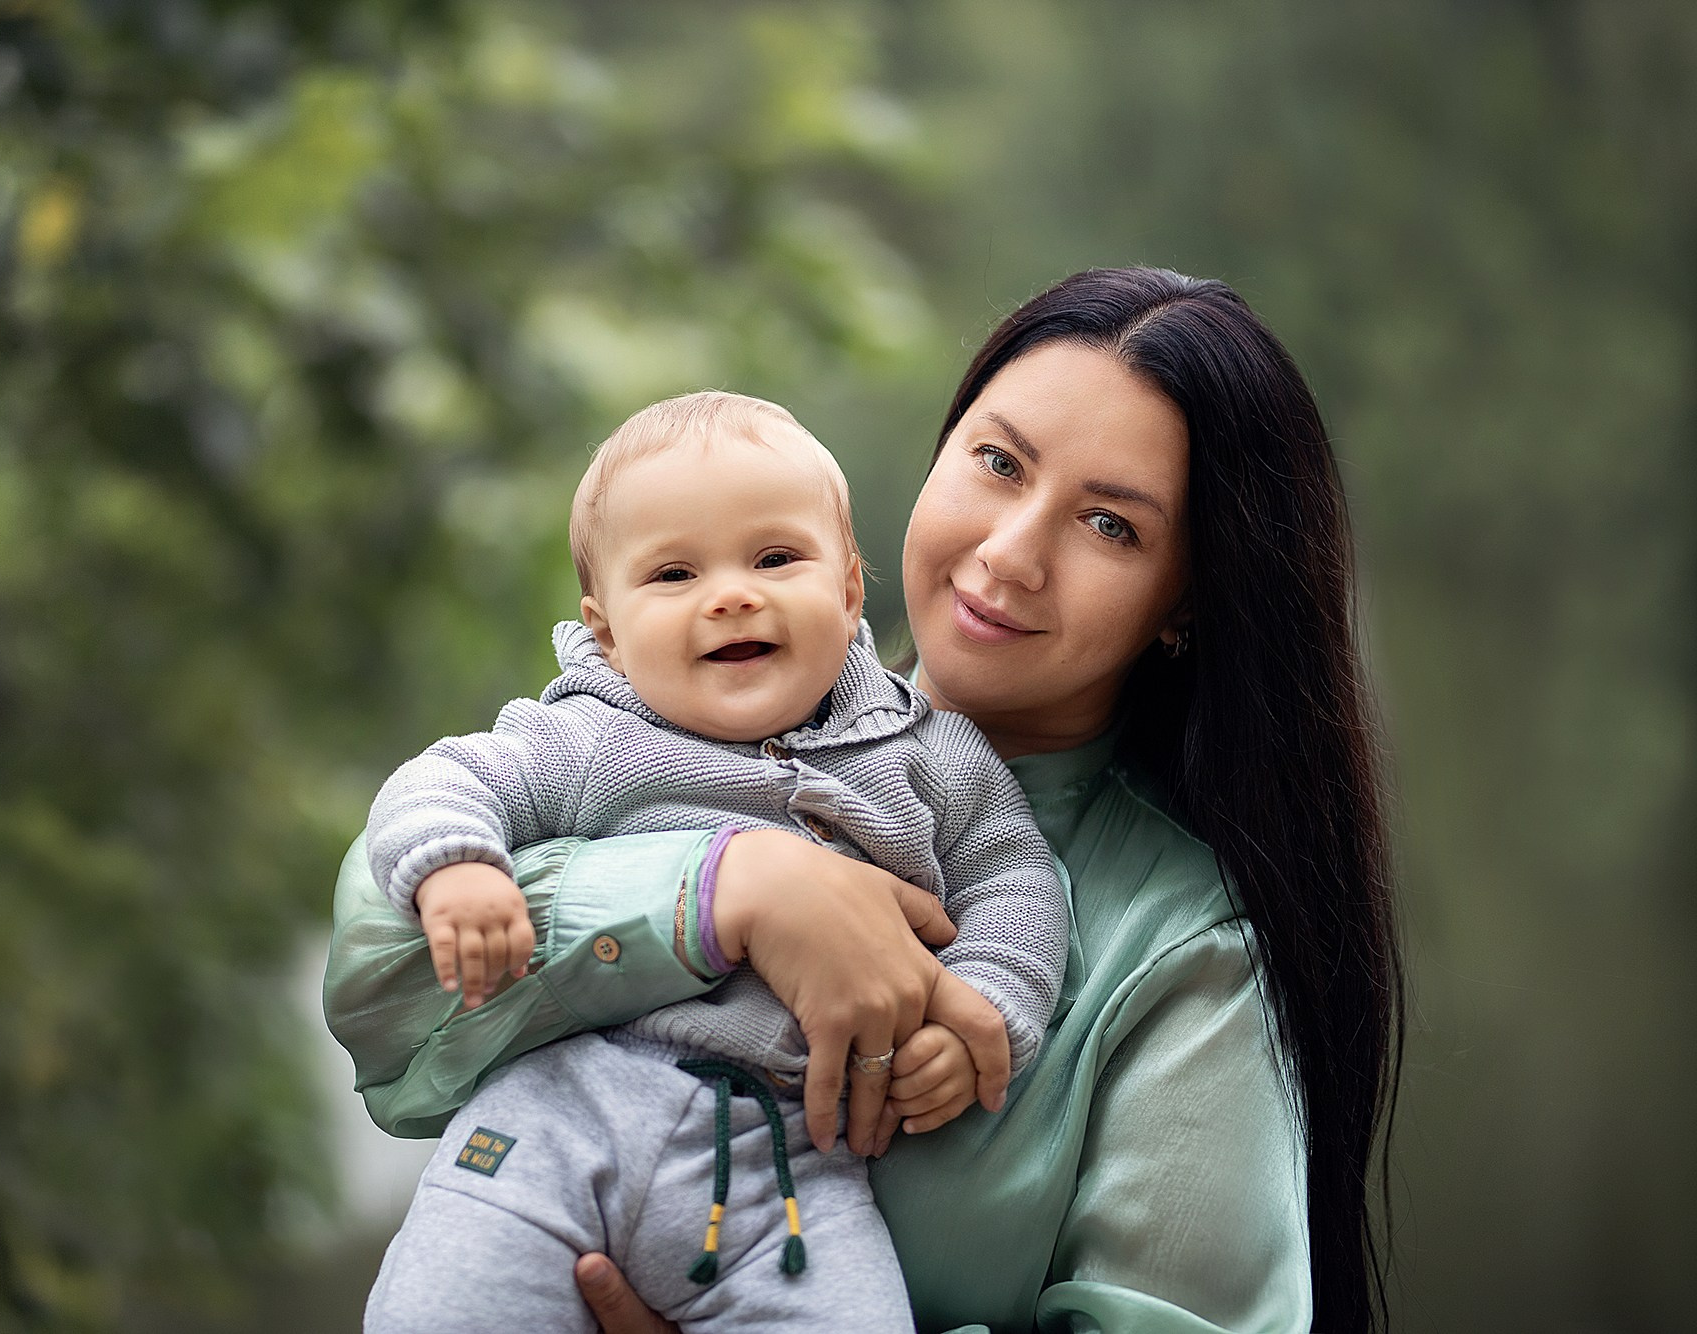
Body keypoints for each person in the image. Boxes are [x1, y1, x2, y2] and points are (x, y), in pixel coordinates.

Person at [325, 267, 1405, 1334]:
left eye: (1109, 526)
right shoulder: (655, 724)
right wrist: (729, 891)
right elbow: (383, 1006)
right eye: (996, 462)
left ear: (1186, 601)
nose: (1009, 551)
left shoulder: (1185, 950)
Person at [358, 391, 1068, 1333]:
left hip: (793, 1167)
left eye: (776, 559)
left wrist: (987, 1012)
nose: (732, 594)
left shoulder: (925, 752)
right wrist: (459, 868)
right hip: (561, 1117)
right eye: (674, 574)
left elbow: (1013, 882)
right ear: (605, 630)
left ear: (850, 589)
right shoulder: (592, 739)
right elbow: (447, 778)